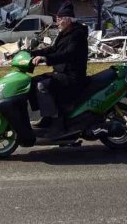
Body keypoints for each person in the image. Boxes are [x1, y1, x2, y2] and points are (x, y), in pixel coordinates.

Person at [28, 8, 88, 139]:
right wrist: (32, 53)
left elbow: (68, 54)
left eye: (59, 18)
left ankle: (57, 122)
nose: (57, 21)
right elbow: (53, 49)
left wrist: (46, 59)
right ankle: (46, 116)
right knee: (32, 82)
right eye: (57, 18)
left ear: (68, 20)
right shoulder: (64, 33)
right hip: (61, 73)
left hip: (72, 76)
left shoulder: (77, 35)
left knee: (43, 86)